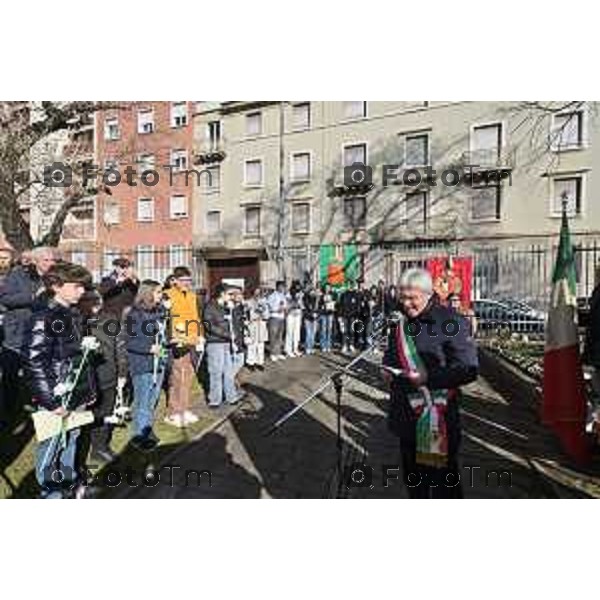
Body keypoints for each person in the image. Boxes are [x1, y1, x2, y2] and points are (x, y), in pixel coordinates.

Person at [383, 268, 478, 499]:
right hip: (406, 415)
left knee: (443, 487)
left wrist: (429, 378)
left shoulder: (451, 321)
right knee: (415, 484)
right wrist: (386, 366)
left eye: (412, 298)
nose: (406, 304)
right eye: (402, 297)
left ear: (427, 294)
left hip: (438, 419)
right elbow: (392, 352)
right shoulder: (400, 320)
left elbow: (469, 369)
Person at [22, 261, 95, 499]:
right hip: (57, 395)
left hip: (74, 392)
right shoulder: (43, 317)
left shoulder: (72, 314)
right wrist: (51, 401)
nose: (82, 292)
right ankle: (51, 494)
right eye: (77, 286)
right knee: (53, 445)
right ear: (56, 286)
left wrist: (87, 389)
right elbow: (34, 362)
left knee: (71, 440)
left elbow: (76, 357)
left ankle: (68, 485)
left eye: (84, 287)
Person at [0, 247, 56, 418]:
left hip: (41, 333)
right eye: (46, 260)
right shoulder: (18, 275)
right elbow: (5, 299)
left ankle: (39, 405)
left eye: (52, 260)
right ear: (36, 261)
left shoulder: (53, 278)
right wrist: (32, 296)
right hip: (16, 334)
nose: (51, 263)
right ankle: (8, 411)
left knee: (39, 372)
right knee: (11, 376)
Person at [79, 289, 128, 463]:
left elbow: (120, 346)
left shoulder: (110, 319)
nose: (93, 303)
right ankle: (81, 451)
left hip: (109, 374)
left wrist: (122, 372)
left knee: (105, 413)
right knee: (85, 417)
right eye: (88, 299)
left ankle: (100, 447)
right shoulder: (77, 321)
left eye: (96, 299)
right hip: (85, 379)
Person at [126, 280, 169, 449]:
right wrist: (148, 348)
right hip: (143, 364)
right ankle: (140, 436)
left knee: (153, 399)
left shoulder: (158, 312)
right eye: (158, 292)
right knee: (143, 400)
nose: (161, 295)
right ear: (148, 293)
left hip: (159, 361)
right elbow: (129, 341)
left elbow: (162, 332)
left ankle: (146, 428)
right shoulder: (134, 314)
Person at [163, 266, 204, 427]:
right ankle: (173, 412)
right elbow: (166, 318)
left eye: (189, 280)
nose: (187, 283)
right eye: (184, 280)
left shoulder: (192, 296)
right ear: (175, 281)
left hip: (192, 340)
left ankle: (184, 409)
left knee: (188, 376)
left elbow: (195, 317)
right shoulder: (168, 295)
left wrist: (200, 335)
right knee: (177, 376)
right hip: (178, 340)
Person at [204, 284, 243, 407]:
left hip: (227, 343)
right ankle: (215, 399)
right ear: (222, 294)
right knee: (216, 371)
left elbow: (236, 322)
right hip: (215, 342)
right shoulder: (210, 306)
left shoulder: (227, 307)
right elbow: (209, 325)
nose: (232, 297)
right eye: (230, 294)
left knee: (228, 371)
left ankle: (231, 397)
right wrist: (227, 334)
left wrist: (234, 309)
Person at [246, 288, 269, 371]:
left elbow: (267, 315)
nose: (257, 295)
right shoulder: (248, 302)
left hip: (261, 324)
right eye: (256, 293)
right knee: (252, 345)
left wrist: (263, 312)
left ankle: (260, 362)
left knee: (260, 345)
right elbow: (247, 314)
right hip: (252, 324)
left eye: (259, 293)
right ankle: (250, 363)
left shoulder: (264, 302)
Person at [267, 281, 287, 361]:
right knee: (273, 336)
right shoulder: (272, 296)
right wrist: (277, 309)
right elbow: (270, 306)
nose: (283, 288)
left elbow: (284, 305)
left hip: (281, 317)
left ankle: (278, 352)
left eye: (284, 287)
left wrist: (284, 308)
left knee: (280, 336)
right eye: (282, 286)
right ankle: (272, 353)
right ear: (278, 287)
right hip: (274, 317)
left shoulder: (283, 296)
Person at [338, 280, 361, 354]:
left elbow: (357, 306)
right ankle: (344, 345)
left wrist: (357, 315)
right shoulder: (343, 294)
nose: (349, 286)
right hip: (344, 316)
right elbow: (340, 306)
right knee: (345, 331)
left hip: (353, 316)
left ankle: (351, 344)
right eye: (347, 285)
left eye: (350, 285)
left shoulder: (355, 295)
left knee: (351, 331)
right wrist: (340, 316)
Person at [285, 280, 304, 358]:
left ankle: (295, 349)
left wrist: (300, 304)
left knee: (297, 333)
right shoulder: (288, 294)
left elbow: (302, 305)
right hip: (290, 315)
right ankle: (288, 350)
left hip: (298, 315)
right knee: (290, 332)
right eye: (296, 286)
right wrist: (295, 302)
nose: (298, 287)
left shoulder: (301, 294)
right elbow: (288, 305)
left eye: (299, 286)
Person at [318, 283, 336, 353]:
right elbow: (319, 304)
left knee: (329, 330)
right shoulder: (321, 295)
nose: (327, 289)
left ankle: (328, 345)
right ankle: (323, 345)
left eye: (328, 287)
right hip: (323, 314)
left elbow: (335, 303)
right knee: (323, 329)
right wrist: (322, 306)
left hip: (330, 314)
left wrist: (333, 305)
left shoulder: (333, 295)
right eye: (326, 288)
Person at [303, 285, 319, 355]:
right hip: (308, 318)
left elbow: (318, 308)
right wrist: (311, 314)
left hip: (315, 318)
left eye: (314, 291)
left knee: (313, 334)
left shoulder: (316, 299)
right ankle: (308, 348)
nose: (313, 292)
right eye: (311, 291)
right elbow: (307, 307)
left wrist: (316, 314)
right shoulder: (305, 298)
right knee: (308, 333)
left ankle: (311, 347)